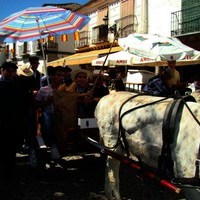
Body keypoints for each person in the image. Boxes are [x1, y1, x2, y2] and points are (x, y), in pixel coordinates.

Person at [0, 62, 26, 179]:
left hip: (13, 120)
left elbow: (22, 103)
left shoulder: (18, 85)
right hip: (2, 119)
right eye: (8, 71)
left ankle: (10, 170)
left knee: (11, 146)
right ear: (2, 70)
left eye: (12, 71)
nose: (10, 73)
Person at [35, 66, 66, 160]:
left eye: (62, 76)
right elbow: (36, 104)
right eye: (58, 75)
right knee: (47, 117)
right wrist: (46, 102)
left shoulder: (66, 90)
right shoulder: (43, 90)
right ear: (52, 76)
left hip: (62, 114)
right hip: (48, 113)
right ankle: (52, 145)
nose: (61, 77)